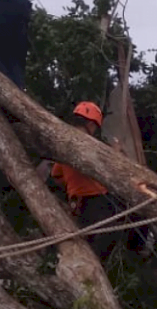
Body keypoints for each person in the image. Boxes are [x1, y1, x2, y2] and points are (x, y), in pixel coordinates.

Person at [48, 102, 147, 260]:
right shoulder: (87, 143)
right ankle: (132, 254)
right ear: (90, 124)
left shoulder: (62, 143)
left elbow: (56, 175)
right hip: (94, 200)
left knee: (134, 213)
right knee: (125, 220)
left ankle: (131, 253)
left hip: (81, 201)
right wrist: (116, 152)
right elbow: (111, 167)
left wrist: (72, 186)